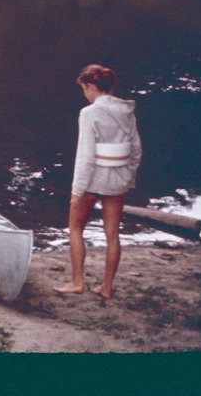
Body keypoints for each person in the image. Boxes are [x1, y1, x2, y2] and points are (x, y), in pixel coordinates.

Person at [54, 64, 142, 299]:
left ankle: (77, 282)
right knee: (112, 234)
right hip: (118, 179)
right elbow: (136, 149)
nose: (84, 93)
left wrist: (77, 189)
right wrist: (129, 178)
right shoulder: (126, 110)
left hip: (93, 180)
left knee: (75, 228)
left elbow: (85, 156)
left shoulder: (89, 113)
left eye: (84, 88)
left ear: (91, 86)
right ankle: (106, 287)